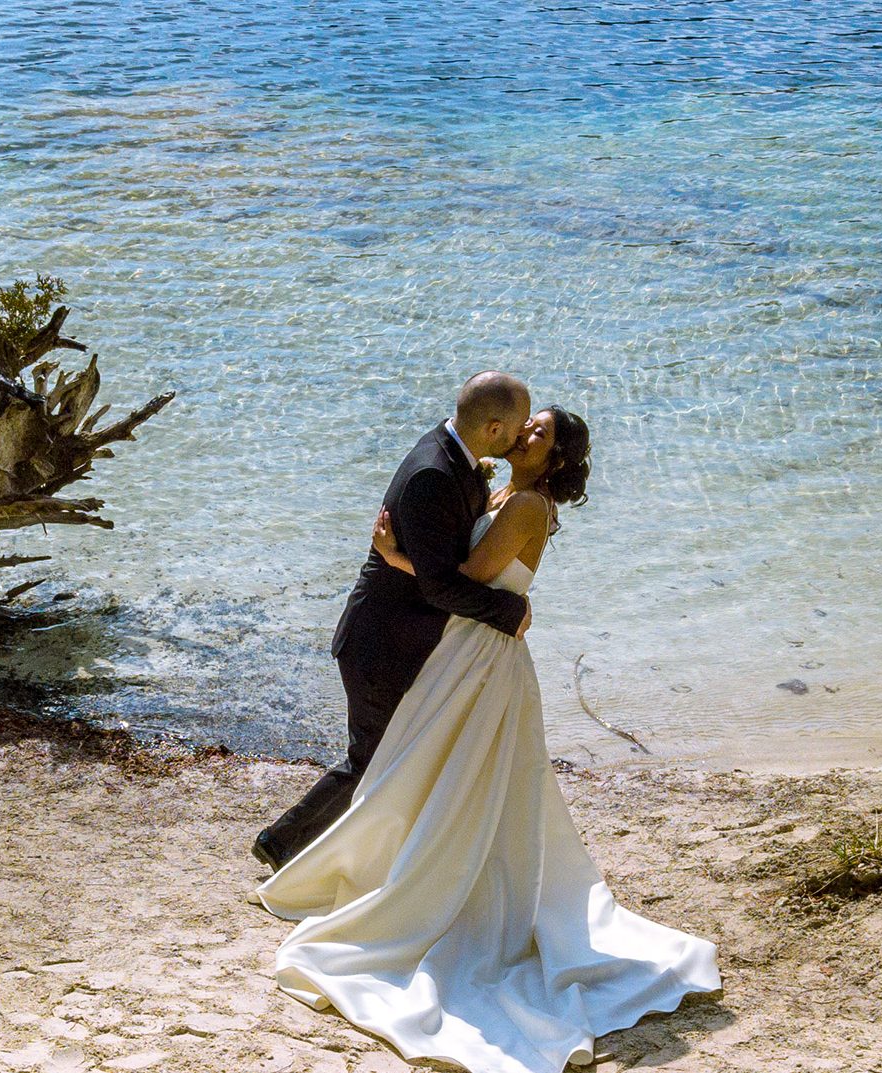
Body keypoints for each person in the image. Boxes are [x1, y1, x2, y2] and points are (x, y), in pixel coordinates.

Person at [253, 406, 722, 1073]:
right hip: (466, 650)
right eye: (526, 422)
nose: (524, 432)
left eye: (540, 432)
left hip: (484, 659)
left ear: (554, 457)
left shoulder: (527, 504)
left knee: (459, 781)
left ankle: (452, 894)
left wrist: (393, 556)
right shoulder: (498, 490)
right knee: (431, 771)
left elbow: (467, 579)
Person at [252, 371, 534, 871]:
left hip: (400, 639)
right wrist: (511, 612)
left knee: (387, 758)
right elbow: (439, 585)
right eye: (516, 428)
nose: (521, 436)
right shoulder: (434, 474)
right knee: (373, 761)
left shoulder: (459, 461)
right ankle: (281, 842)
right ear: (493, 429)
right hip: (380, 642)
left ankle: (364, 856)